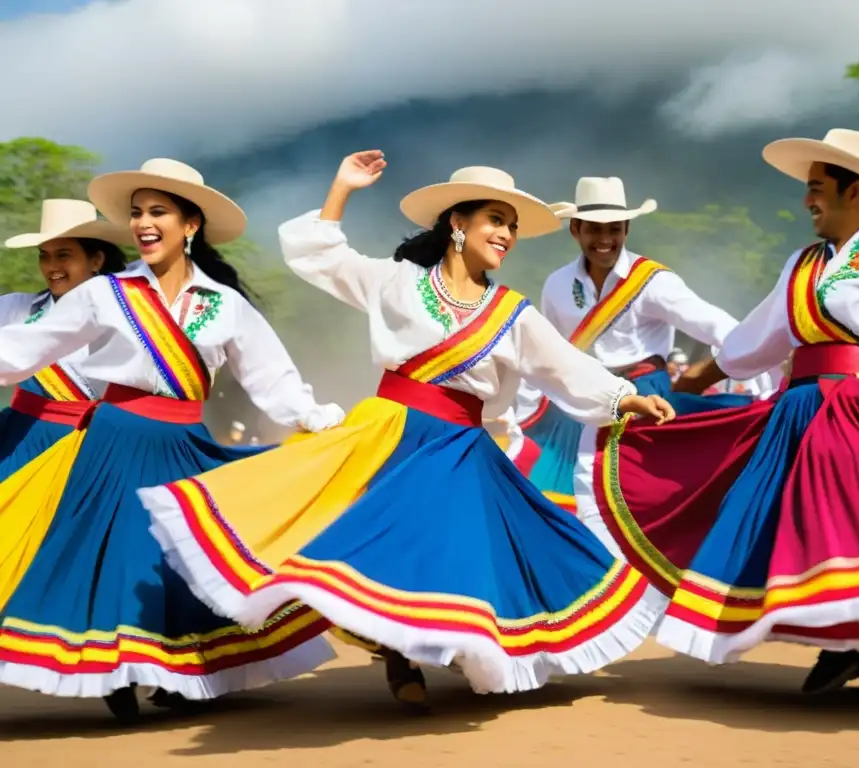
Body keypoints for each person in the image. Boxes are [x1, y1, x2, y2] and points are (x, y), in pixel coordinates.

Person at [141, 151, 674, 711]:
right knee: (382, 543)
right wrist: (342, 188)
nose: (505, 234)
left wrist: (627, 396)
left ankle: (451, 649)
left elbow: (565, 365)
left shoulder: (512, 314)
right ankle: (397, 656)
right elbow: (322, 256)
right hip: (391, 432)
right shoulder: (397, 282)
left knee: (468, 552)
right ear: (458, 225)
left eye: (511, 225)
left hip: (462, 449)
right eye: (494, 219)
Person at [591, 128, 859, 695]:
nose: (806, 200)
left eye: (817, 186)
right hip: (800, 410)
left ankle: (851, 646)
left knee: (842, 521)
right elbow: (753, 343)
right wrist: (687, 384)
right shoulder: (803, 263)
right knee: (807, 523)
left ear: (857, 191)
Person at [0, 159, 344, 723]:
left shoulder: (224, 306)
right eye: (136, 213)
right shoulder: (106, 293)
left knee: (183, 562)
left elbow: (273, 381)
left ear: (190, 225)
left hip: (185, 441)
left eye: (157, 211)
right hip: (112, 442)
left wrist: (320, 420)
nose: (143, 223)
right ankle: (118, 673)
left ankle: (179, 670)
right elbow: (24, 350)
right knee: (118, 557)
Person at [510, 176, 768, 548]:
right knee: (560, 501)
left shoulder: (651, 281)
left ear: (626, 229)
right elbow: (550, 351)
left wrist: (761, 372)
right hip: (583, 401)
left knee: (632, 501)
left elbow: (717, 326)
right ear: (576, 231)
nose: (605, 239)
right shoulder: (557, 284)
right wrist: (528, 406)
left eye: (614, 229)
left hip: (644, 397)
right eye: (594, 229)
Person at [0, 199, 129, 611]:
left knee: (84, 554)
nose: (51, 265)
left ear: (96, 259)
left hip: (93, 449)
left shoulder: (129, 316)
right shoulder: (18, 308)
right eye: (45, 255)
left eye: (64, 254)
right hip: (23, 440)